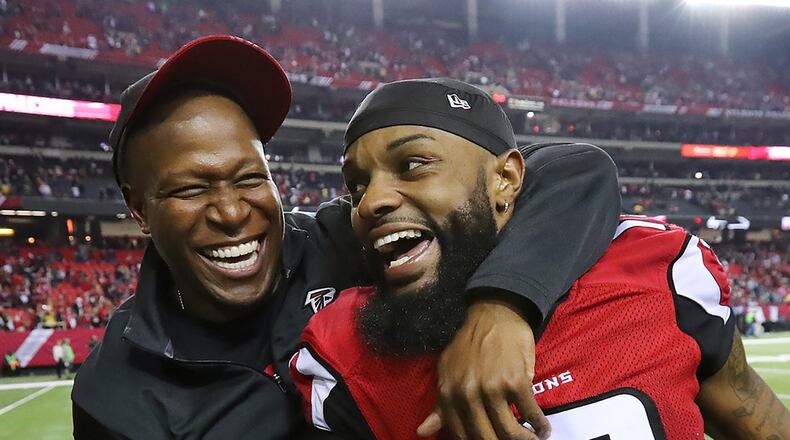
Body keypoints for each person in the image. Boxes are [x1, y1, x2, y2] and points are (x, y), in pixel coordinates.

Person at [72, 36, 620, 439]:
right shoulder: (113, 398)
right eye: (191, 189)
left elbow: (574, 170)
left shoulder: (341, 238)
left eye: (250, 178)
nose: (233, 212)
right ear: (137, 209)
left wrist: (501, 309)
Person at [290, 78, 790, 439]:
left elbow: (756, 419)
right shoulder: (340, 354)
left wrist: (503, 303)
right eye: (356, 185)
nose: (371, 201)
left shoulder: (653, 265)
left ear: (504, 181)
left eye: (413, 164)